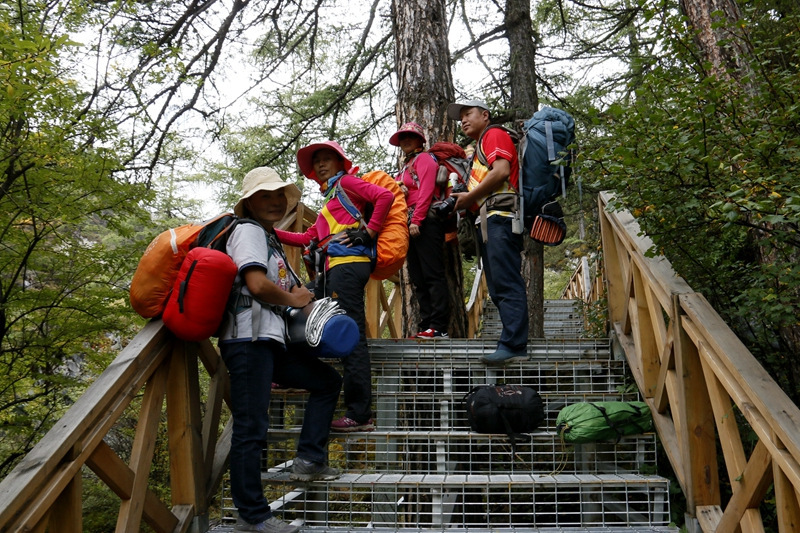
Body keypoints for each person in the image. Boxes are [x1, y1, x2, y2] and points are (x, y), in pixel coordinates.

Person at [219, 166, 343, 533]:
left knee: (326, 381)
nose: (275, 202)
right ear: (249, 202)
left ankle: (309, 459)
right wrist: (294, 298)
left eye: (279, 196)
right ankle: (252, 515)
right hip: (247, 340)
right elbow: (257, 285)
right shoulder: (247, 231)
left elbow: (281, 288)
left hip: (270, 340)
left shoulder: (269, 238)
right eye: (265, 196)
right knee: (251, 426)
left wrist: (303, 299)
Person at [276, 140, 393, 432]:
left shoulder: (348, 184)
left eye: (327, 158)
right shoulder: (331, 199)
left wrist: (369, 233)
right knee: (297, 305)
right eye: (317, 161)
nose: (320, 165)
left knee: (351, 335)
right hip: (333, 270)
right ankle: (293, 374)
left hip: (349, 266)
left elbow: (384, 196)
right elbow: (307, 239)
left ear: (340, 163)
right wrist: (269, 231)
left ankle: (360, 414)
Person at [447, 99, 529, 365]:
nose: (463, 120)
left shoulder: (493, 134)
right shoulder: (481, 145)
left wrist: (469, 197)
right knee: (497, 284)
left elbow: (501, 171)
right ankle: (511, 341)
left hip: (500, 217)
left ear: (485, 115)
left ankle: (514, 344)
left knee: (505, 281)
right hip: (490, 219)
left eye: (468, 113)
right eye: (461, 117)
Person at [390, 121, 450, 338]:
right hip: (408, 223)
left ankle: (439, 326)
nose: (406, 140)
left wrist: (417, 220)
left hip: (425, 222)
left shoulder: (424, 159)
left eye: (410, 136)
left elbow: (426, 190)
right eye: (402, 137)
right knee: (418, 277)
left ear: (420, 140)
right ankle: (427, 325)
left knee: (432, 274)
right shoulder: (405, 167)